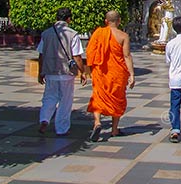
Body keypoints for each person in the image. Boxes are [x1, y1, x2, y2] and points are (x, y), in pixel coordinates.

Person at [86, 10, 135, 141]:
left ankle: (97, 122)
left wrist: (89, 69)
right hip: (117, 73)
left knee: (98, 96)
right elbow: (126, 56)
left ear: (106, 21)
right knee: (117, 99)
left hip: (100, 71)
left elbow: (90, 51)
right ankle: (114, 130)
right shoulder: (123, 36)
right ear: (119, 21)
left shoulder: (98, 33)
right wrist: (132, 74)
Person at [37, 7, 86, 136]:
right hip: (66, 73)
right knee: (65, 101)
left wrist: (40, 72)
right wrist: (83, 72)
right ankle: (61, 128)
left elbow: (41, 55)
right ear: (69, 19)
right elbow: (77, 56)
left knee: (49, 97)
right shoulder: (72, 34)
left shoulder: (46, 34)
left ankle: (44, 119)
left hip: (50, 72)